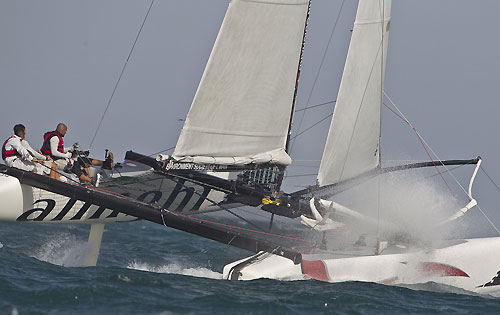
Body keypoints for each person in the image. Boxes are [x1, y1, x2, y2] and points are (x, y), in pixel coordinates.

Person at [41, 123, 108, 185]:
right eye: (65, 131)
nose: (65, 133)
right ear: (62, 130)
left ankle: (89, 178)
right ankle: (90, 181)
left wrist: (71, 148)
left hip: (56, 159)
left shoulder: (55, 137)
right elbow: (54, 152)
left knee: (80, 161)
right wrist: (66, 155)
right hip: (54, 160)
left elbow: (59, 150)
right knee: (75, 165)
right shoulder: (55, 138)